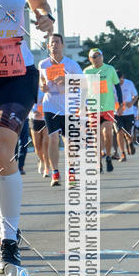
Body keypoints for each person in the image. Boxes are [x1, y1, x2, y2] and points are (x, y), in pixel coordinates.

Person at [0, 0, 54, 276]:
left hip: (17, 73)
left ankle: (9, 241)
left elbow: (41, 7)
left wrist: (46, 20)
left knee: (2, 146)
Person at [38, 32, 82, 186]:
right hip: (50, 106)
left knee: (70, 142)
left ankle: (71, 171)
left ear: (62, 45)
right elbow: (41, 84)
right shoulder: (43, 64)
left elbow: (84, 83)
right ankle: (55, 173)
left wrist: (66, 79)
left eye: (57, 42)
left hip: (69, 107)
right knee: (53, 138)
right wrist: (42, 87)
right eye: (51, 42)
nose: (54, 45)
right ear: (47, 46)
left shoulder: (71, 65)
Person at [83, 48, 122, 173]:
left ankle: (108, 156)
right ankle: (98, 163)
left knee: (107, 133)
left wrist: (120, 103)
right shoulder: (86, 72)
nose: (96, 58)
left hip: (108, 107)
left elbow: (117, 86)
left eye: (98, 55)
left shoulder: (109, 69)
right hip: (93, 109)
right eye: (93, 56)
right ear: (90, 59)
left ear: (102, 56)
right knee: (96, 136)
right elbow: (83, 90)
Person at [28, 90, 52, 177]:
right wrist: (34, 110)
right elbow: (27, 101)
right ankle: (41, 160)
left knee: (46, 144)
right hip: (35, 119)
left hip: (47, 119)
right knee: (37, 147)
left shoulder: (50, 87)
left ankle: (47, 167)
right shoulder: (33, 87)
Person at [116, 71, 138, 159]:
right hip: (117, 113)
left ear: (122, 77)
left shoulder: (129, 83)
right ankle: (123, 153)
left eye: (120, 80)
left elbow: (135, 95)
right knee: (119, 132)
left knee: (128, 132)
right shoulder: (111, 84)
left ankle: (130, 142)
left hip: (129, 112)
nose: (118, 82)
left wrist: (131, 103)